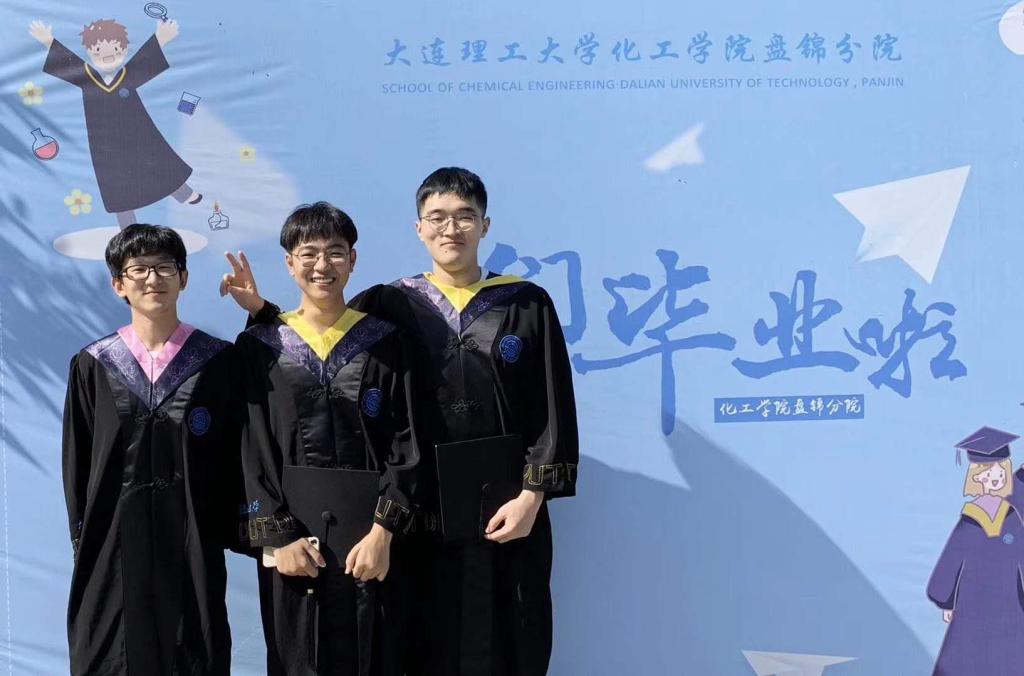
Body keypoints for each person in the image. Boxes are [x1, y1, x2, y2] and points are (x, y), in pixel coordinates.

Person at [225, 168, 579, 675]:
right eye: (437, 217)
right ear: (419, 228)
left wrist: (531, 496)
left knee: (510, 629)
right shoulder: (392, 304)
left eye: (464, 217)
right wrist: (261, 314)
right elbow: (316, 338)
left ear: (484, 225)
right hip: (417, 515)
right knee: (417, 639)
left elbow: (551, 404)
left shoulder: (527, 303)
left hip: (504, 505)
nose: (450, 229)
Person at [234, 202, 418, 675]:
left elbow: (406, 442)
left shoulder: (386, 341)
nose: (322, 265)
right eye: (308, 253)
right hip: (295, 549)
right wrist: (280, 538)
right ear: (289, 263)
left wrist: (383, 532)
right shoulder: (261, 347)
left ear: (352, 260)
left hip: (371, 546)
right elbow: (252, 450)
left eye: (335, 252)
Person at [62, 224, 242, 675]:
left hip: (192, 539)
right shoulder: (94, 364)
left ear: (184, 278)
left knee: (192, 649)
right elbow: (78, 464)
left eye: (165, 267)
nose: (152, 278)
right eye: (138, 269)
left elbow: (236, 458)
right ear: (118, 284)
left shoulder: (217, 361)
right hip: (113, 541)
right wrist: (85, 539)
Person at [29, 18, 203, 228]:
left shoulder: (127, 76)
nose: (108, 54)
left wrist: (161, 38)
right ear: (90, 52)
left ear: (124, 49)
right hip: (106, 142)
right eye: (98, 49)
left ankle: (182, 193)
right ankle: (127, 224)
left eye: (115, 48)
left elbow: (144, 61)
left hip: (139, 133)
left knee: (157, 161)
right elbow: (70, 63)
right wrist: (48, 41)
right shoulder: (89, 79)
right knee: (115, 179)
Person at [927, 426, 1024, 675]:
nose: (994, 480)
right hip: (978, 606)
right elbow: (951, 562)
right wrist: (946, 601)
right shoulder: (970, 523)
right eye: (987, 475)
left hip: (1007, 606)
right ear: (976, 478)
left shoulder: (1012, 516)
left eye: (999, 474)